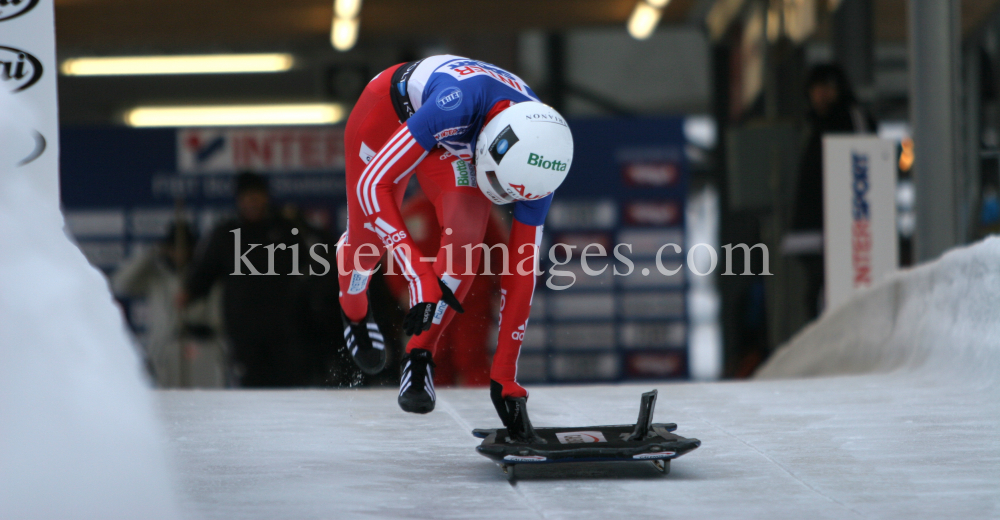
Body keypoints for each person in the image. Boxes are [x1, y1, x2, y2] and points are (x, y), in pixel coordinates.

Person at [336, 55, 573, 432]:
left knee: (464, 243)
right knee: (368, 245)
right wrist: (419, 277)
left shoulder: (539, 165)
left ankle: (419, 354)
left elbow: (521, 271)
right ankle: (354, 312)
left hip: (458, 141)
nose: (495, 196)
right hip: (389, 114)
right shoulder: (458, 106)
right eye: (492, 183)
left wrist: (505, 376)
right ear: (490, 147)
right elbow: (371, 186)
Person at [182, 172, 307, 387]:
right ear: (239, 201)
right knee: (249, 389)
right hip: (243, 329)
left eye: (256, 197)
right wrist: (190, 292)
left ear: (265, 197)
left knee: (289, 388)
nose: (252, 203)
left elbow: (309, 269)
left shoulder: (286, 230)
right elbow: (206, 271)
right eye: (246, 198)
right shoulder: (226, 233)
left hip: (285, 328)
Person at [791, 64, 875, 318]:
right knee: (817, 294)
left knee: (832, 293)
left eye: (826, 88)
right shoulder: (817, 126)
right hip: (816, 229)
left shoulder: (851, 118)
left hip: (841, 229)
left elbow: (866, 159)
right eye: (816, 89)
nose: (821, 95)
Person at [112, 221, 226, 387]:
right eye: (174, 247)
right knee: (169, 405)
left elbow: (218, 315)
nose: (179, 252)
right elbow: (120, 284)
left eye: (185, 247)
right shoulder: (156, 275)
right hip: (163, 351)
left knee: (207, 401)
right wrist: (153, 253)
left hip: (201, 348)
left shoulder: (206, 277)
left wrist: (206, 329)